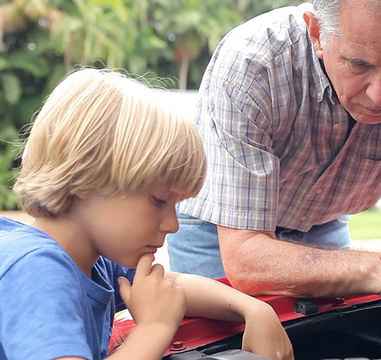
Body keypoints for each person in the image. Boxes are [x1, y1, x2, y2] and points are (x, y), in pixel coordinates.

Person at [168, 0, 381, 358]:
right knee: (227, 352)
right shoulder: (252, 63)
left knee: (329, 345)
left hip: (323, 224)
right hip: (217, 229)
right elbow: (246, 257)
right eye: (359, 64)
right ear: (317, 33)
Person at [0, 68, 293, 360]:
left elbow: (170, 287)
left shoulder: (96, 263)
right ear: (87, 177)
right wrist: (155, 327)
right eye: (158, 200)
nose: (173, 225)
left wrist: (254, 309)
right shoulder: (35, 268)